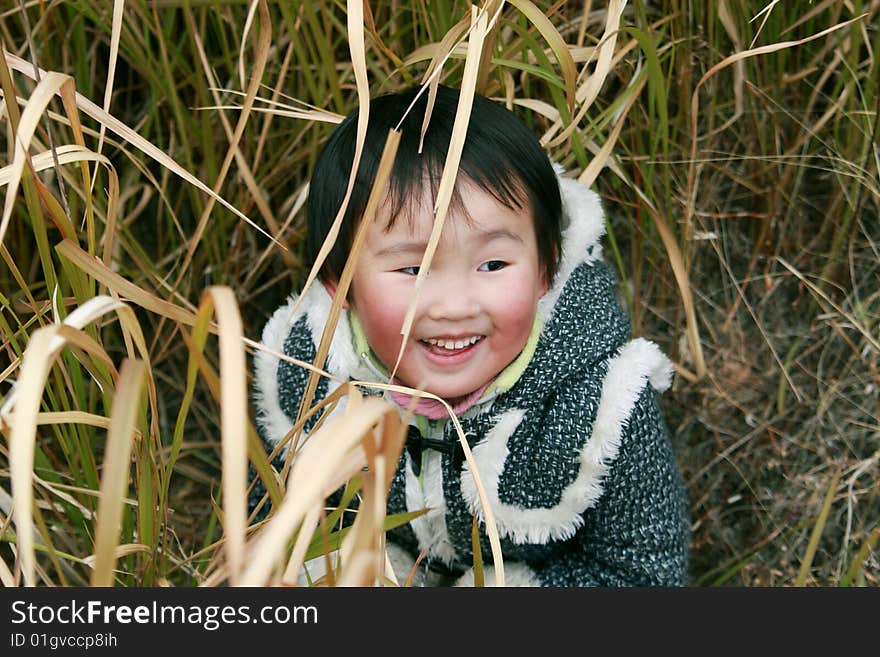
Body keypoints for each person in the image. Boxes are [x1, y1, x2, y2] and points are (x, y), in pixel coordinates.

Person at [250, 84, 690, 586]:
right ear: (340, 284)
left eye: (494, 263)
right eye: (412, 269)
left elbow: (644, 570)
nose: (455, 306)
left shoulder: (602, 403)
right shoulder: (309, 371)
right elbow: (266, 515)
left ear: (546, 269)